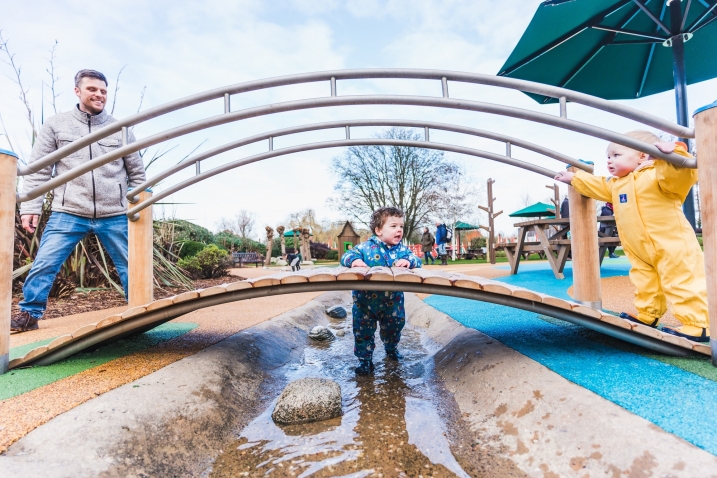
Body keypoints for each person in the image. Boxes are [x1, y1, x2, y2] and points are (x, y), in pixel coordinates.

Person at [11, 70, 146, 333]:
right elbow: (39, 170)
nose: (99, 95)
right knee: (45, 262)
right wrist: (30, 208)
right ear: (78, 91)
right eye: (93, 89)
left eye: (103, 91)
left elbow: (137, 172)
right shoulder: (56, 125)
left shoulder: (120, 129)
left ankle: (140, 314)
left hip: (113, 212)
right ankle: (29, 315)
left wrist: (136, 207)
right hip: (69, 210)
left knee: (133, 264)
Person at [554, 130, 709, 343]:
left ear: (643, 156)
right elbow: (596, 184)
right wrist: (574, 178)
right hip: (638, 248)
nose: (609, 160)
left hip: (671, 244)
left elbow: (682, 175)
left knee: (681, 280)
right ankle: (648, 314)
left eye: (616, 155)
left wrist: (671, 155)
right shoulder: (617, 184)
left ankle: (698, 323)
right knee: (645, 282)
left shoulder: (658, 174)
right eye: (608, 156)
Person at [340, 207, 421, 375]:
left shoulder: (402, 251)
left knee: (394, 328)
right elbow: (346, 255)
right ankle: (365, 361)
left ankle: (391, 349)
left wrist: (408, 261)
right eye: (393, 226)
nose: (399, 229)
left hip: (393, 304)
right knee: (362, 332)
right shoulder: (364, 248)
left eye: (401, 226)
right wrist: (354, 260)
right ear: (378, 230)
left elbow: (416, 259)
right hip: (365, 304)